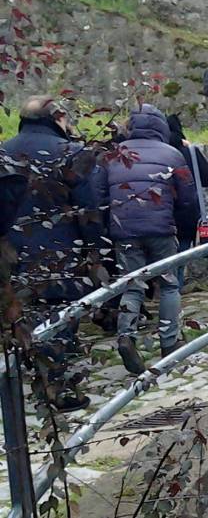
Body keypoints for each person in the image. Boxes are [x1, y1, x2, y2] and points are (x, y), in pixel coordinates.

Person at [2, 96, 103, 412]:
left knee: (28, 319)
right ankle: (63, 389)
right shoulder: (71, 153)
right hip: (62, 253)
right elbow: (88, 211)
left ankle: (41, 383)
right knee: (62, 320)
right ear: (58, 117)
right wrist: (96, 251)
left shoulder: (3, 153)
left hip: (13, 256)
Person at [100, 104, 198, 374]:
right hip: (161, 228)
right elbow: (188, 198)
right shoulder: (173, 154)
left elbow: (100, 197)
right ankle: (169, 342)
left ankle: (126, 337)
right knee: (168, 284)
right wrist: (178, 220)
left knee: (131, 286)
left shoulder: (113, 156)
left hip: (124, 230)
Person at [166, 114, 208, 289]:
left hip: (159, 216)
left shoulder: (157, 152)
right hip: (186, 217)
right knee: (178, 264)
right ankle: (174, 304)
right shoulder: (188, 152)